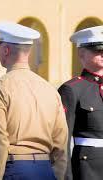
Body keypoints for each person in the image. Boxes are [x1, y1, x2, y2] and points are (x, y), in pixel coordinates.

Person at [0, 22, 68, 180]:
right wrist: (57, 175)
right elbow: (61, 141)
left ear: (6, 50)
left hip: (15, 168)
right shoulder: (49, 89)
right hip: (45, 169)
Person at [58, 25, 103, 180]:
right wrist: (65, 175)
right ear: (81, 53)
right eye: (98, 50)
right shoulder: (71, 89)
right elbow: (61, 139)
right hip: (87, 171)